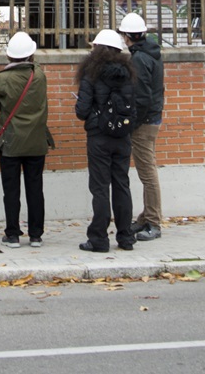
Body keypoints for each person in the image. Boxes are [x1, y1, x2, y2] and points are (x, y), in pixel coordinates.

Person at [0, 31, 53, 248]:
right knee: (35, 188)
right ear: (31, 55)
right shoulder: (40, 76)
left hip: (11, 141)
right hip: (36, 141)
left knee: (11, 190)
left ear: (9, 56)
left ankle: (12, 234)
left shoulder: (3, 78)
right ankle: (36, 235)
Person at [74, 29, 137, 253]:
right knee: (122, 185)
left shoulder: (90, 74)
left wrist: (93, 115)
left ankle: (99, 239)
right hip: (122, 137)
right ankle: (126, 237)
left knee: (100, 188)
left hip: (99, 138)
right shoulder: (128, 74)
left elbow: (81, 111)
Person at [120, 11, 165, 241]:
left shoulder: (138, 59)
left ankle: (154, 223)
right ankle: (146, 217)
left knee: (148, 173)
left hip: (145, 122)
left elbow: (143, 97)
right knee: (148, 171)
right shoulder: (153, 52)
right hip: (153, 117)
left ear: (127, 36)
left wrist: (133, 123)